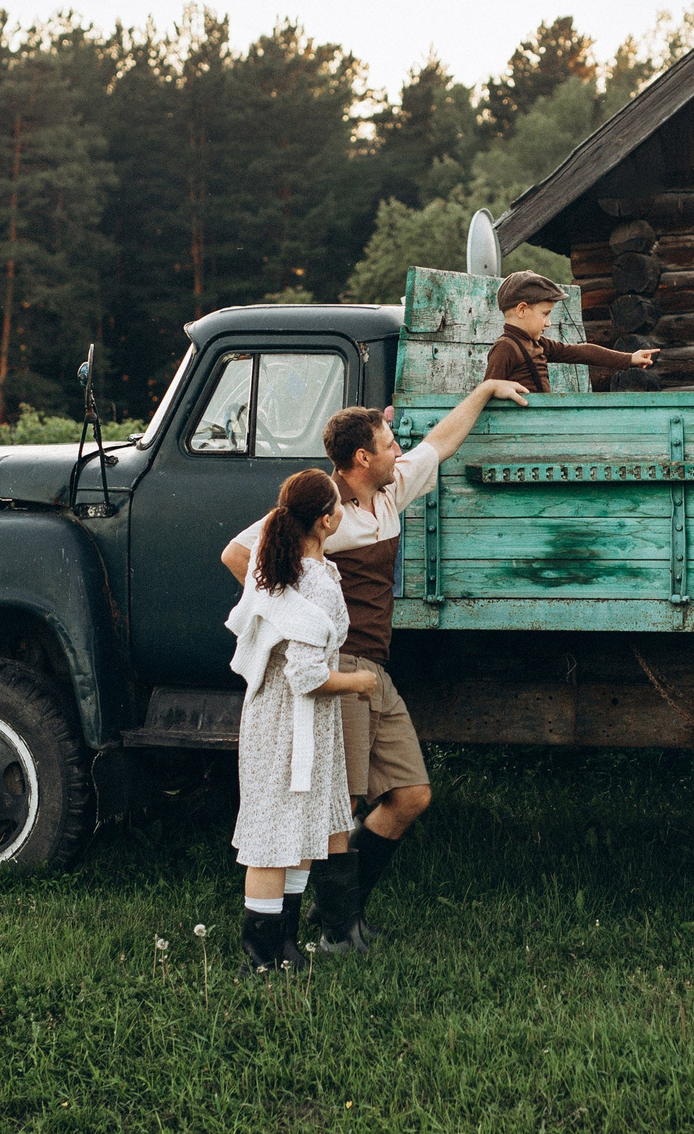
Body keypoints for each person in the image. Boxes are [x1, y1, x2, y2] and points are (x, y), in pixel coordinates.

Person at [221, 375, 528, 953]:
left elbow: (440, 442)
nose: (398, 450)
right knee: (345, 802)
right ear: (362, 457)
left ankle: (336, 917)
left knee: (411, 794)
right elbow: (239, 554)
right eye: (389, 444)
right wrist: (297, 623)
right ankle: (339, 930)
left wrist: (485, 390)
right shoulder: (321, 511)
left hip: (375, 668)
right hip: (337, 667)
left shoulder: (389, 494)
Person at [224, 468, 370, 974]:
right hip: (293, 720)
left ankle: (284, 943)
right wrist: (358, 683)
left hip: (277, 715)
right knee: (271, 834)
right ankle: (260, 955)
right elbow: (308, 676)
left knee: (296, 826)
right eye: (339, 506)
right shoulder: (315, 585)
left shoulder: (276, 569)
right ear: (327, 520)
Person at [483, 271, 658, 392]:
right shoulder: (506, 348)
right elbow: (487, 393)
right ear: (522, 310)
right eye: (545, 314)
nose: (548, 323)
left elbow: (580, 352)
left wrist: (629, 358)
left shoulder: (537, 343)